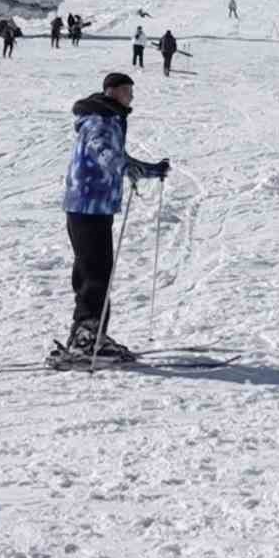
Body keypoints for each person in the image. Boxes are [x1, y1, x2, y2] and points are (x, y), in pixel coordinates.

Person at [56, 72, 169, 365]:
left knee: (94, 271)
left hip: (94, 205)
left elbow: (119, 157)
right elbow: (103, 152)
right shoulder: (99, 121)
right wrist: (124, 167)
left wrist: (150, 169)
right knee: (95, 272)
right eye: (127, 90)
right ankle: (86, 338)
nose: (131, 96)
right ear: (113, 91)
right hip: (88, 205)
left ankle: (90, 333)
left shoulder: (108, 118)